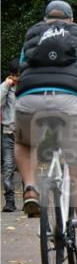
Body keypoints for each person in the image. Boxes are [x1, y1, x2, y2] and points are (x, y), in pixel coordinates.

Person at [14, 0, 77, 264]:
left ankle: (31, 187)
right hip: (71, 103)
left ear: (46, 19)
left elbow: (23, 72)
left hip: (29, 101)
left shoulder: (33, 34)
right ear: (70, 19)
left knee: (24, 142)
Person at [1, 60, 19, 211]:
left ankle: (30, 199)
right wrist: (6, 85)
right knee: (8, 168)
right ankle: (10, 201)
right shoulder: (7, 87)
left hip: (26, 134)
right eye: (14, 75)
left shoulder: (29, 87)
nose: (16, 78)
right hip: (8, 133)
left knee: (27, 168)